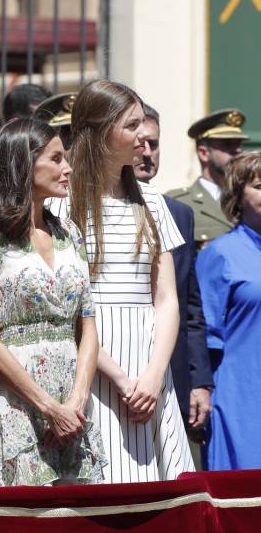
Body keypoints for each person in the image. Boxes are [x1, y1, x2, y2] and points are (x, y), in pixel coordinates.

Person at [49, 80, 194, 483]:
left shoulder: (153, 202)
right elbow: (67, 307)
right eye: (131, 127)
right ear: (100, 130)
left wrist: (152, 375)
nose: (142, 139)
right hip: (92, 361)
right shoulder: (59, 205)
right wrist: (119, 377)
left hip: (148, 362)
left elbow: (166, 300)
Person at [0, 118, 104, 487]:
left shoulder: (70, 232)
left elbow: (88, 326)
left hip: (73, 407)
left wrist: (76, 400)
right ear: (24, 163)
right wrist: (48, 407)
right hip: (17, 406)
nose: (68, 168)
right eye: (56, 159)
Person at [133, 104, 212, 459]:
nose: (147, 153)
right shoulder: (89, 209)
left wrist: (199, 381)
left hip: (174, 377)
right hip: (121, 371)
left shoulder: (179, 214)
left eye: (155, 144)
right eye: (140, 144)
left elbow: (190, 305)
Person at [196, 151, 261, 470]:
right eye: (260, 186)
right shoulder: (220, 254)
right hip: (241, 399)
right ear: (238, 196)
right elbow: (203, 335)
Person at [166, 110, 247, 249]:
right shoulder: (178, 202)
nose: (237, 150)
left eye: (238, 144)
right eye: (227, 144)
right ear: (204, 153)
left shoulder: (250, 198)